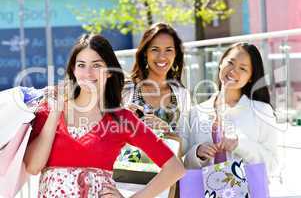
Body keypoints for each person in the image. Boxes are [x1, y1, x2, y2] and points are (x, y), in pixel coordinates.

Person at [24, 34, 185, 198]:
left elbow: (175, 168)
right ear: (73, 69)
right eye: (81, 65)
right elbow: (33, 167)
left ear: (109, 71)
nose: (88, 73)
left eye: (96, 65)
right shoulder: (49, 110)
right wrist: (55, 112)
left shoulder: (121, 119)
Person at [184, 42, 278, 175]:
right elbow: (184, 163)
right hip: (204, 193)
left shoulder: (262, 111)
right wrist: (197, 153)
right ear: (221, 63)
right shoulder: (196, 112)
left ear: (251, 77)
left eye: (243, 69)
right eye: (230, 63)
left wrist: (240, 145)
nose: (233, 71)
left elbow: (272, 165)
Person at [122, 23, 191, 157]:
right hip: (131, 176)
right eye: (155, 49)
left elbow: (186, 148)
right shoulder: (126, 91)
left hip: (170, 175)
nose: (162, 57)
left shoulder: (182, 95)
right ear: (145, 53)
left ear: (176, 54)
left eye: (169, 50)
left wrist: (167, 131)